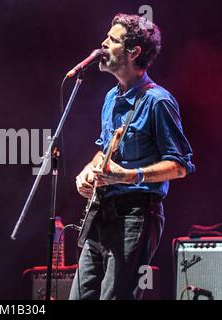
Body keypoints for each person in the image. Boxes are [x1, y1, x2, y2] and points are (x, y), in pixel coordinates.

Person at [70, 13, 195, 300]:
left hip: (136, 215)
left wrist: (129, 176)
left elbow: (180, 165)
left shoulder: (158, 100)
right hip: (101, 213)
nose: (102, 43)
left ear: (133, 51)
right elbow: (105, 150)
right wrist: (87, 172)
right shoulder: (111, 99)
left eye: (112, 39)